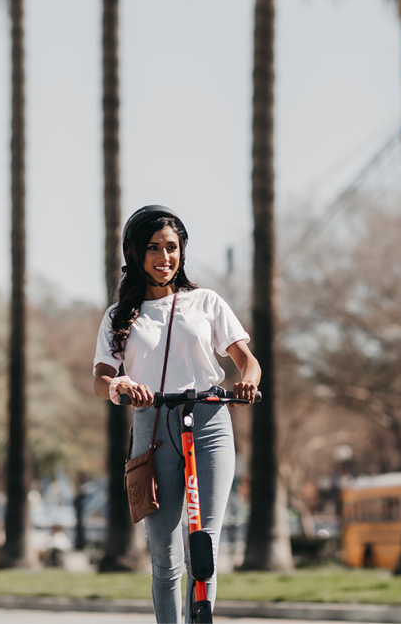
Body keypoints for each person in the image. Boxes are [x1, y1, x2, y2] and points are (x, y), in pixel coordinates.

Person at [92, 205, 260, 623]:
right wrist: (120, 386)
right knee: (166, 558)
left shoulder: (206, 302)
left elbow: (248, 361)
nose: (164, 257)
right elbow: (101, 378)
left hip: (209, 423)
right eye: (153, 248)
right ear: (134, 253)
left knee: (204, 545)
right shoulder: (119, 317)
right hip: (152, 427)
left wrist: (248, 381)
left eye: (172, 247)